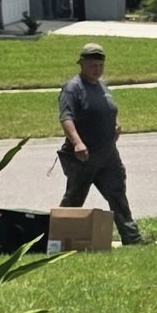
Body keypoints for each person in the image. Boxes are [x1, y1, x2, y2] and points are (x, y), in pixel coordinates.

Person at [56, 44, 142, 243]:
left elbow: (107, 110)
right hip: (83, 157)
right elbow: (66, 118)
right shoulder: (73, 88)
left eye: (100, 65)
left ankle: (133, 238)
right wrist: (77, 143)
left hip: (108, 155)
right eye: (93, 65)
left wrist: (116, 125)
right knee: (73, 200)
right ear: (82, 64)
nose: (97, 69)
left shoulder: (102, 86)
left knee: (118, 196)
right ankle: (60, 239)